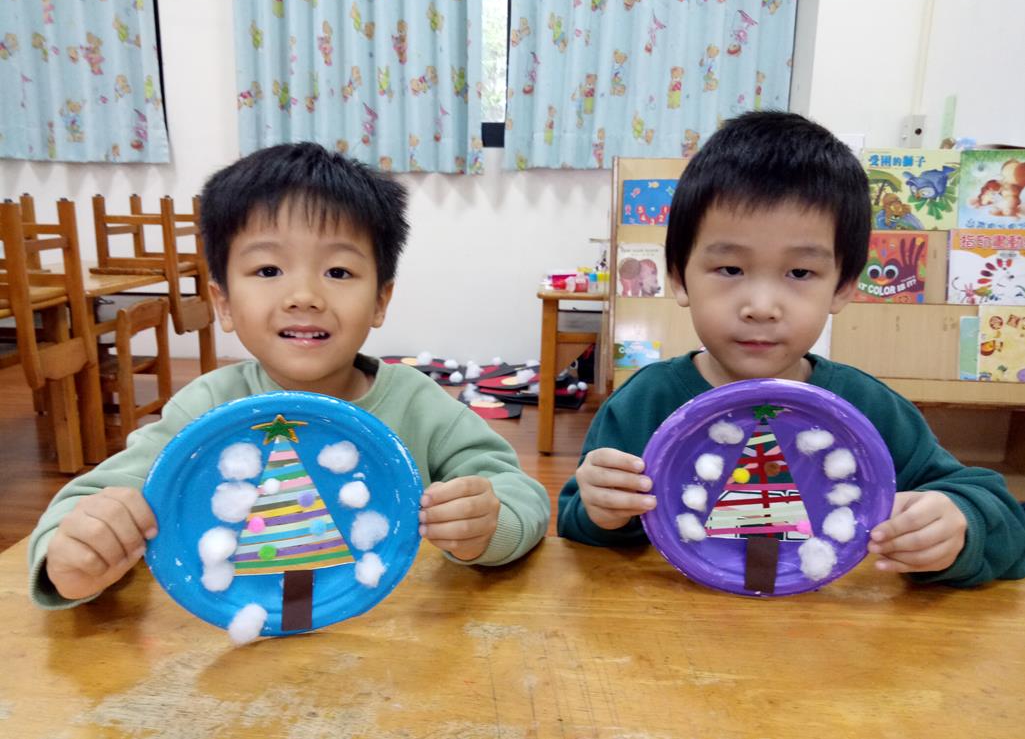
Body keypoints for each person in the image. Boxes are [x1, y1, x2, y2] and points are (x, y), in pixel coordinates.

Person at [30, 142, 550, 608]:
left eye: (338, 272)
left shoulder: (419, 404)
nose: (304, 296)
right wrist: (72, 556)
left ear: (380, 300)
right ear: (223, 303)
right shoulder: (205, 409)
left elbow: (519, 495)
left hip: (392, 648)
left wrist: (489, 527)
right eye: (268, 270)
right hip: (234, 644)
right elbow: (92, 501)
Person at [558, 111, 1025, 587]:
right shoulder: (644, 404)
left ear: (842, 286)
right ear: (679, 277)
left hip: (829, 628)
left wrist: (957, 525)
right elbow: (576, 521)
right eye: (730, 270)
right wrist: (601, 510)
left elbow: (1005, 523)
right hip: (676, 623)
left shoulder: (867, 408)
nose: (761, 307)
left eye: (800, 273)